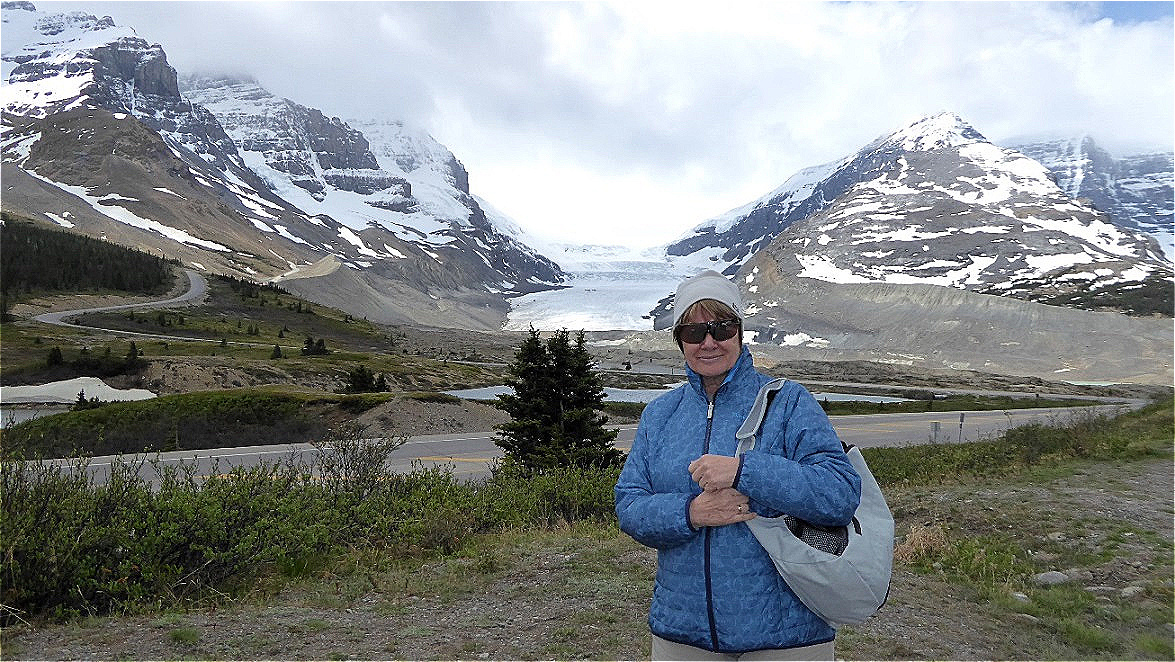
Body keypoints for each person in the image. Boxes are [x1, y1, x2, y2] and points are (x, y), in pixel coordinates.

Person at [615, 269, 862, 660]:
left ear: (740, 331)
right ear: (680, 341)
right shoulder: (660, 415)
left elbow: (839, 493)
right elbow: (630, 507)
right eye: (694, 332)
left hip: (787, 635)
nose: (709, 342)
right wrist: (691, 512)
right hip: (683, 633)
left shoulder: (789, 403)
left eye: (722, 327)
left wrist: (745, 471)